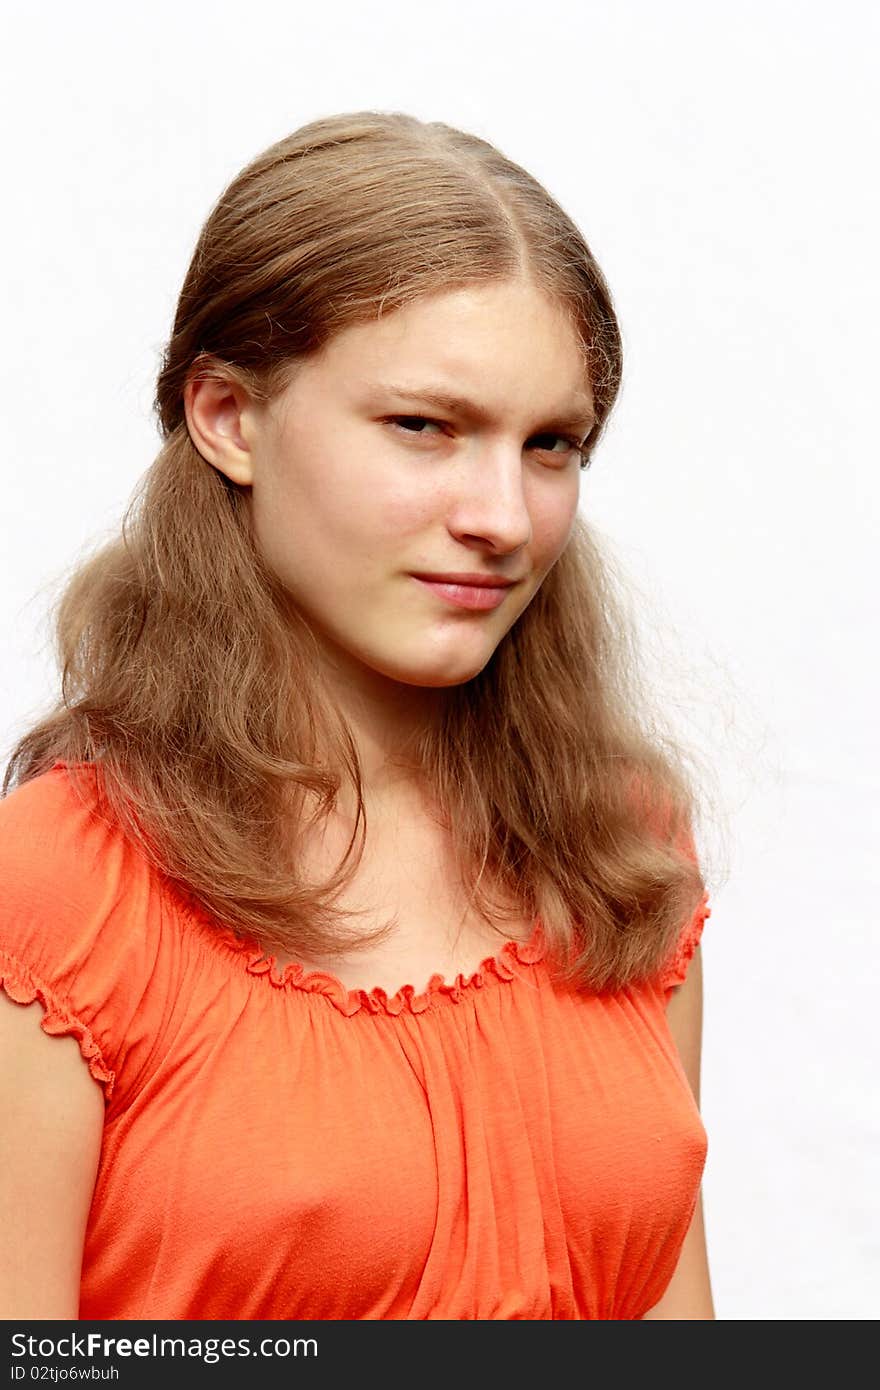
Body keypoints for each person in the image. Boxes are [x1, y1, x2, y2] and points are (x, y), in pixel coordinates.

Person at [0, 109, 716, 1321]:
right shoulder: (60, 888)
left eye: (552, 445)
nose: (503, 514)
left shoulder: (623, 841)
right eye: (423, 427)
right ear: (228, 417)